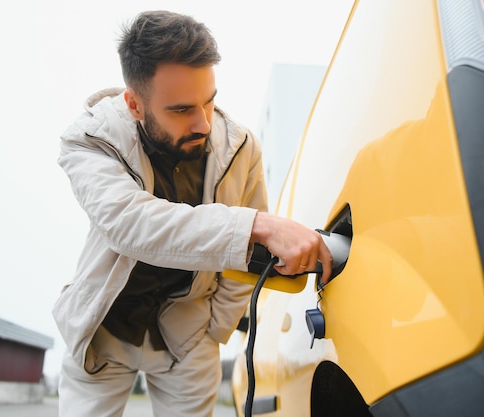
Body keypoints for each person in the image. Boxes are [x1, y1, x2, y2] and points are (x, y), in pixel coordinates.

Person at [53, 10, 332, 417]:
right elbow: (130, 224)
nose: (204, 122)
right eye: (182, 110)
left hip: (189, 337)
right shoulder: (89, 140)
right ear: (134, 104)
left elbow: (250, 264)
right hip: (104, 329)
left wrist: (215, 329)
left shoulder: (242, 147)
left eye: (210, 100)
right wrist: (257, 224)